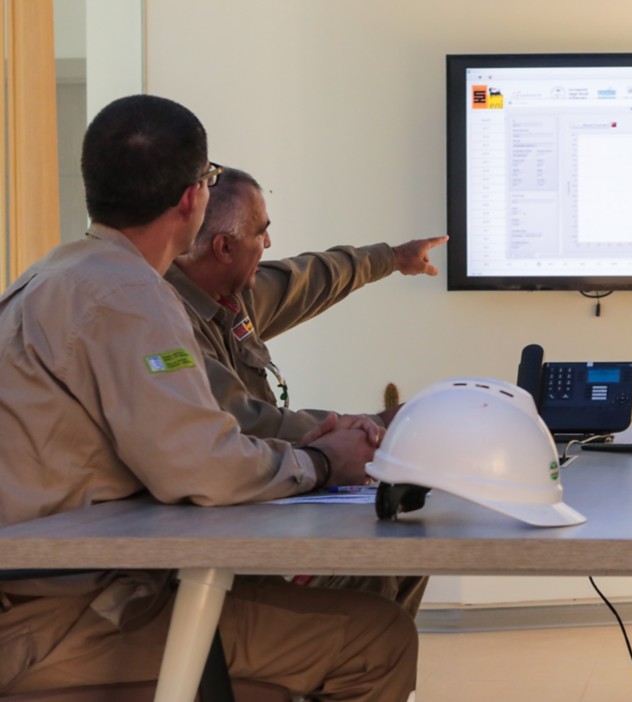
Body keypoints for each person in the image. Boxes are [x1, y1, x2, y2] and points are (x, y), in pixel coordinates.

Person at [0, 95, 417, 700]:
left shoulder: (54, 276)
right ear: (194, 198)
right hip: (64, 614)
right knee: (378, 638)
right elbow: (199, 466)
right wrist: (325, 462)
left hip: (56, 587)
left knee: (354, 589)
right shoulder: (126, 297)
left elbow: (298, 282)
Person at [166, 166, 444, 614]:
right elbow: (246, 419)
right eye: (262, 233)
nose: (269, 245)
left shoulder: (230, 292)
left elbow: (310, 277)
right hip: (212, 544)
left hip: (255, 510)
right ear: (223, 247)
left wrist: (392, 257)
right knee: (381, 557)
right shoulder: (165, 320)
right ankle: (345, 670)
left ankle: (366, 673)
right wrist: (374, 426)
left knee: (409, 546)